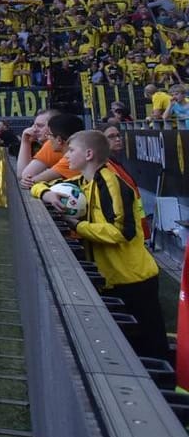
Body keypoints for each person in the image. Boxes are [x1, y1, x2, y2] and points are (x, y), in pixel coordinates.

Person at [42, 130, 168, 359]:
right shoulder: (82, 181)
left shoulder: (111, 183)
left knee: (151, 350)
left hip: (133, 279)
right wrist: (46, 193)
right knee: (127, 349)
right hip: (111, 278)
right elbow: (33, 184)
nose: (66, 156)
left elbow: (121, 232)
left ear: (89, 154)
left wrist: (78, 227)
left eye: (72, 150)